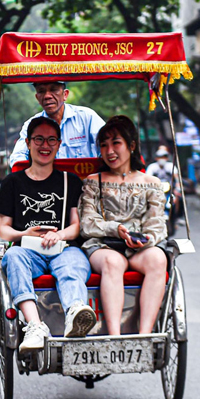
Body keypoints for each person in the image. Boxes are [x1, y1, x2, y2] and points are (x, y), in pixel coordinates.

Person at [0, 117, 97, 353]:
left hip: (63, 248)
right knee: (13, 258)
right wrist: (25, 233)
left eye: (51, 140)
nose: (45, 145)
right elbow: (4, 229)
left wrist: (60, 235)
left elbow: (76, 226)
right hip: (28, 251)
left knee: (72, 265)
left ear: (59, 144)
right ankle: (35, 326)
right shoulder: (12, 182)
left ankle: (75, 313)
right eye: (39, 139)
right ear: (28, 143)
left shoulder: (69, 181)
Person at [79, 116, 168, 335]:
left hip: (138, 248)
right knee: (113, 262)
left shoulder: (151, 183)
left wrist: (145, 239)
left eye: (116, 142)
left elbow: (157, 223)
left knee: (159, 258)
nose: (109, 150)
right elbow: (87, 223)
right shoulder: (93, 180)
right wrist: (115, 229)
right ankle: (114, 335)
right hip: (102, 246)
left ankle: (145, 334)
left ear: (131, 145)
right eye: (104, 145)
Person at [8, 81, 105, 166]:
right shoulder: (31, 125)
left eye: (53, 90)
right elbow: (17, 157)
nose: (47, 96)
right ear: (37, 98)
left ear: (65, 94)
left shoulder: (86, 117)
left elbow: (107, 147)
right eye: (41, 91)